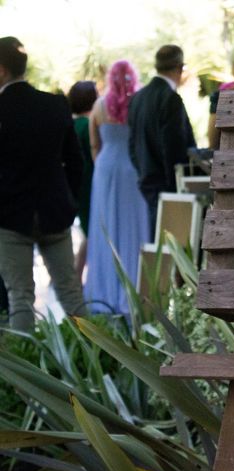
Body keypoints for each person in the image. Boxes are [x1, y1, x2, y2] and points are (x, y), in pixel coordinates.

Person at [0, 36, 87, 331]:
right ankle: (98, 364)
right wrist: (67, 200)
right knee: (72, 294)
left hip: (10, 218)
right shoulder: (55, 105)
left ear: (1, 71)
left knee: (20, 298)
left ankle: (25, 374)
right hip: (54, 213)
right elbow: (76, 163)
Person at [83, 60, 149, 316]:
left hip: (106, 168)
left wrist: (100, 165)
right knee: (134, 225)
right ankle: (134, 287)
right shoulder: (138, 104)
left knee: (106, 225)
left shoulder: (99, 106)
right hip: (132, 168)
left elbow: (93, 144)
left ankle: (104, 290)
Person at [128, 44, 195, 240]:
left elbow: (132, 146)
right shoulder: (170, 99)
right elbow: (173, 147)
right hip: (168, 188)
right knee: (171, 248)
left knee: (156, 247)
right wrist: (177, 189)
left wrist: (143, 173)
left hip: (147, 183)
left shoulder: (138, 98)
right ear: (179, 68)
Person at [67, 80, 98, 279]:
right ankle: (76, 275)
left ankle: (74, 274)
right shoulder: (87, 125)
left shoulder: (70, 123)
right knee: (90, 230)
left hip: (72, 184)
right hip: (88, 184)